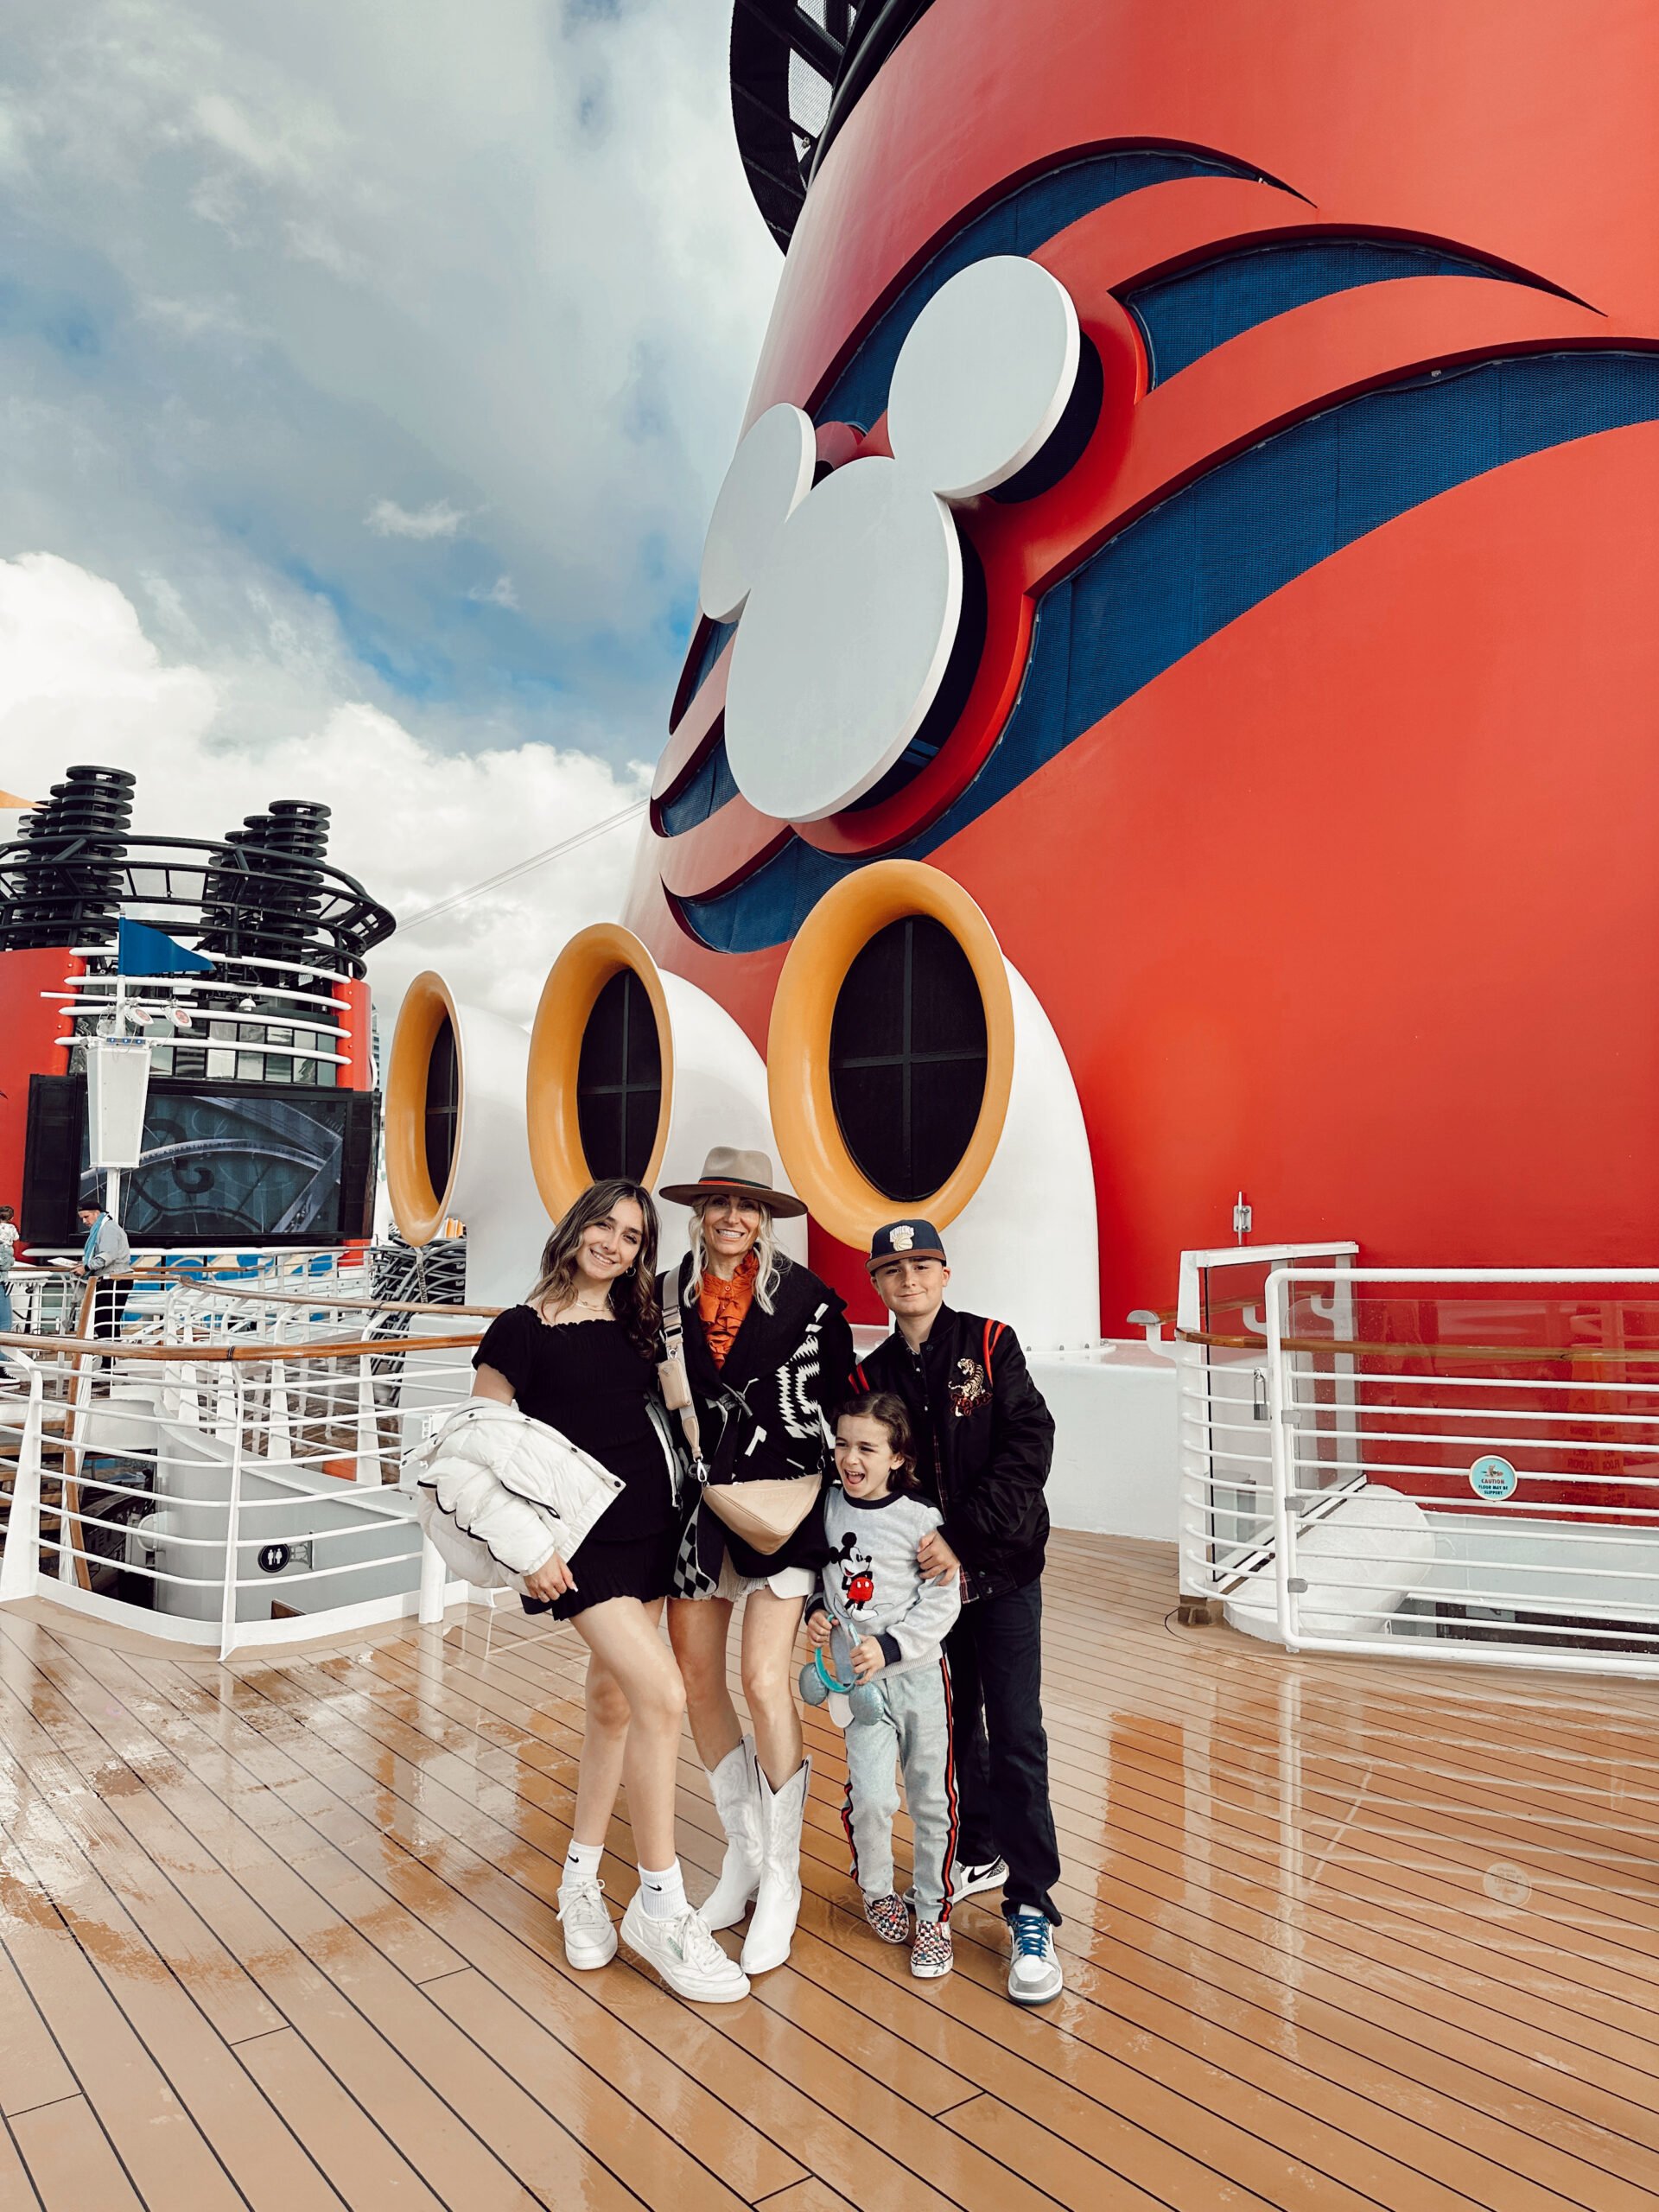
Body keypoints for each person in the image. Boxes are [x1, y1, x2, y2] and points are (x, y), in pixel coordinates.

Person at [471, 1178, 747, 2005]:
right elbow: (480, 1450)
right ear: (576, 1229)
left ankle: (580, 1881)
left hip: (654, 1529)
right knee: (661, 1692)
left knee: (613, 1703)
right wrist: (527, 1547)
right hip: (578, 1544)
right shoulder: (519, 1330)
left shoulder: (637, 1324)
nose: (615, 1244)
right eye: (605, 1226)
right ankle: (659, 1903)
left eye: (632, 1237)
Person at [853, 1217, 1065, 2005]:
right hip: (925, 1597)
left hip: (1001, 1574)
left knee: (1016, 1731)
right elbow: (867, 1477)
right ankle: (979, 1848)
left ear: (945, 1273)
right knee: (950, 1729)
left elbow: (1028, 1445)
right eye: (893, 1268)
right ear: (877, 1284)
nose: (909, 1278)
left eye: (923, 1264)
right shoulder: (869, 1374)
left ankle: (1032, 1906)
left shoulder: (991, 1343)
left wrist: (963, 1536)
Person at [658, 1146, 855, 1974]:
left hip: (784, 1508)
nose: (733, 1218)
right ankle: (742, 1852)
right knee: (696, 1679)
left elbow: (845, 1408)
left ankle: (783, 1876)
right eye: (718, 1205)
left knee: (764, 1681)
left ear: (765, 1218)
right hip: (695, 1509)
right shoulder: (662, 1296)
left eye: (749, 1206)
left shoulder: (811, 1302)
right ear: (699, 1214)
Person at [804, 1392, 962, 1980]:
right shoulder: (825, 1508)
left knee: (930, 1800)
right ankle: (875, 1890)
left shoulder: (921, 1522)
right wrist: (815, 1611)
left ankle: (933, 1914)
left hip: (917, 1679)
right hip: (858, 1690)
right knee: (871, 1798)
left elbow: (942, 1600)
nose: (851, 1458)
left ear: (897, 1456)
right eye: (842, 1444)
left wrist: (892, 1646)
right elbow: (823, 1577)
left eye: (867, 1447)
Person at [76, 1196, 132, 1364]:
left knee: (104, 1322)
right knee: (107, 1322)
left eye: (86, 1217)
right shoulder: (106, 1227)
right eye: (82, 1218)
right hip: (113, 1279)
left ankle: (109, 1364)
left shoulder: (108, 1229)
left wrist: (85, 1267)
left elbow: (107, 1255)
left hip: (113, 1280)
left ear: (96, 1213)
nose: (85, 1222)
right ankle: (109, 1363)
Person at [0, 1205, 18, 1336]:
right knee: (4, 1324)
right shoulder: (11, 1228)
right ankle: (2, 1356)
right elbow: (16, 1238)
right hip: (1, 1279)